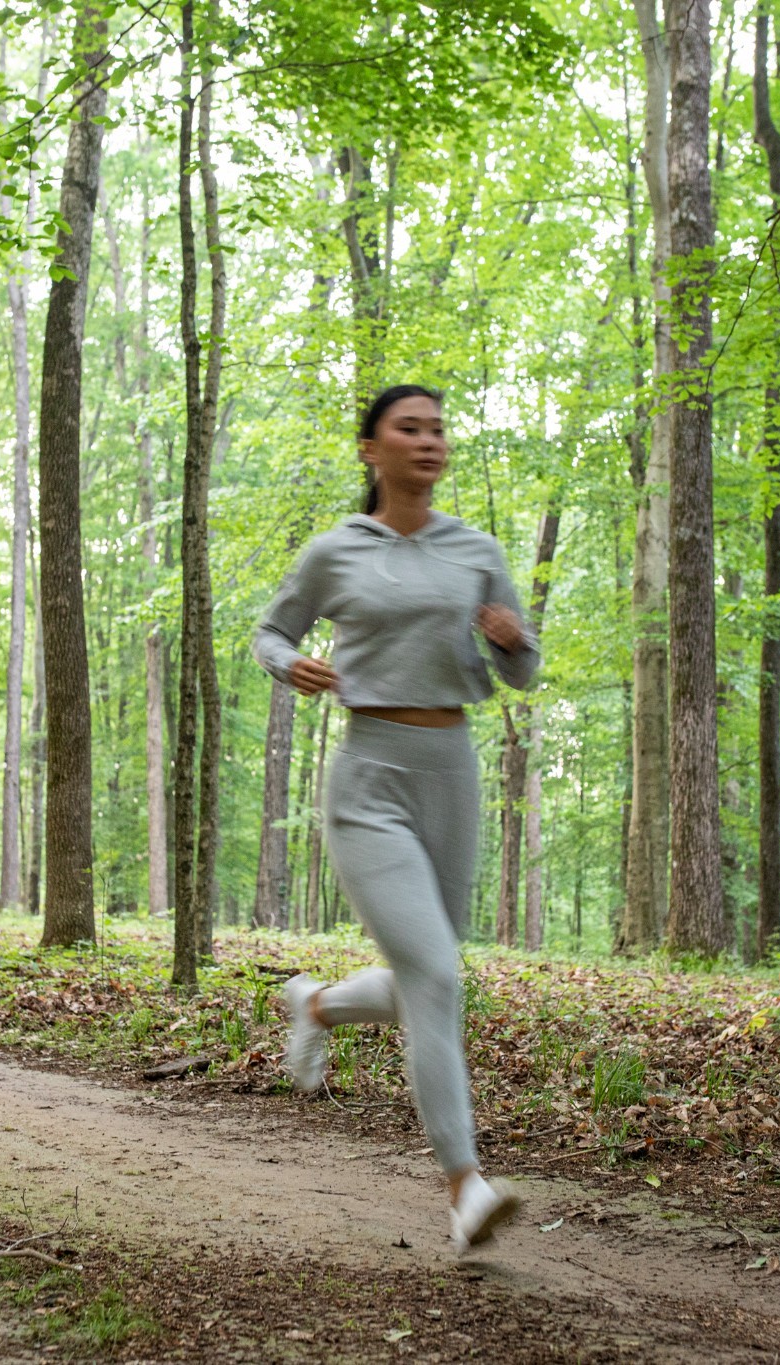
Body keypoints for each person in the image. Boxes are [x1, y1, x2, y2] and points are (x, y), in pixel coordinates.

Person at [251, 384, 537, 1254]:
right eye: (409, 428)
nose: (429, 441)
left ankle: (319, 1004)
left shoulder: (475, 549)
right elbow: (269, 630)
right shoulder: (337, 550)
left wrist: (511, 639)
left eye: (438, 428)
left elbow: (523, 670)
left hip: (451, 770)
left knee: (430, 974)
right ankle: (465, 1186)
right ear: (371, 449)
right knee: (438, 978)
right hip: (368, 774)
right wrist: (289, 663)